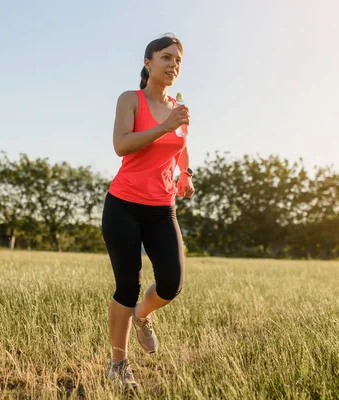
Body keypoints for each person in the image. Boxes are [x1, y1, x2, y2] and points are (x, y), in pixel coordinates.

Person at [101, 34, 194, 391]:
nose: (173, 65)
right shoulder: (131, 99)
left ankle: (143, 316)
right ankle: (118, 364)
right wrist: (164, 126)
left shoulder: (180, 107)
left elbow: (181, 146)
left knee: (172, 282)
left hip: (162, 208)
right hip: (123, 205)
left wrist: (185, 174)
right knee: (128, 284)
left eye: (178, 60)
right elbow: (121, 145)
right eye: (166, 57)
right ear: (148, 63)